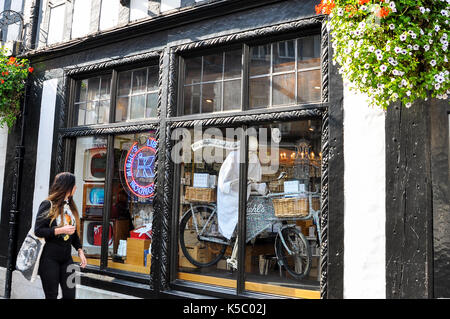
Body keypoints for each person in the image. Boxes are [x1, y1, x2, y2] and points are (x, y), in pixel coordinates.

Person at [34, 172, 87, 299]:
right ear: (67, 186)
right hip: (49, 259)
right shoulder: (47, 204)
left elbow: (72, 233)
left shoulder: (70, 207)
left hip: (67, 259)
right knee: (51, 295)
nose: (76, 187)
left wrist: (80, 250)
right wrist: (60, 230)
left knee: (70, 296)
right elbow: (38, 230)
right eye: (74, 185)